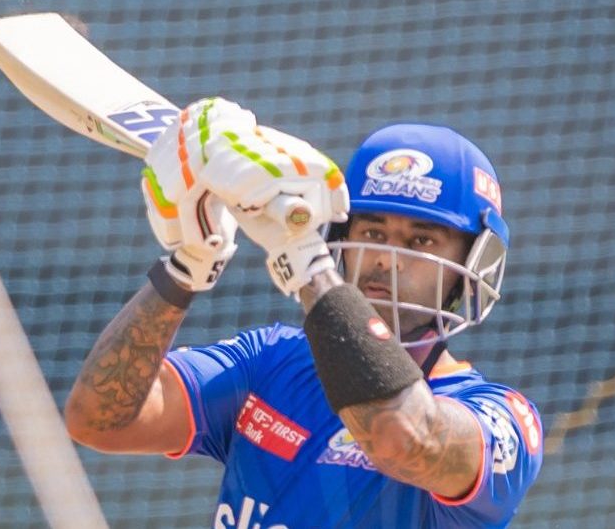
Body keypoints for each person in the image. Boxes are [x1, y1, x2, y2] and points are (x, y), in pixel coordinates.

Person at [65, 98, 542, 528]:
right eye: (373, 234)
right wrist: (188, 265)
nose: (386, 259)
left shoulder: (505, 419)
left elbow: (405, 436)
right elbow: (98, 419)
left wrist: (304, 260)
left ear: (470, 265)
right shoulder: (271, 360)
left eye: (421, 241)